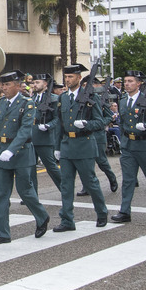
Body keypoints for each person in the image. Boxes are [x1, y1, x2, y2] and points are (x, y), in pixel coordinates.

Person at [0, 72, 49, 243]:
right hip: (2, 151)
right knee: (1, 194)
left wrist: (12, 150)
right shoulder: (0, 103)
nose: (3, 88)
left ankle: (42, 216)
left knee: (25, 191)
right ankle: (2, 233)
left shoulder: (27, 104)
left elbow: (25, 130)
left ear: (17, 85)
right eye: (2, 85)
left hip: (21, 153)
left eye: (7, 85)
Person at [51, 64, 109, 233]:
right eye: (66, 77)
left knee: (90, 182)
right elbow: (59, 124)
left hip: (84, 145)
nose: (67, 80)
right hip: (67, 145)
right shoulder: (63, 98)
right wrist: (57, 146)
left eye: (70, 77)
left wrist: (86, 124)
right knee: (66, 184)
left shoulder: (90, 96)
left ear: (78, 78)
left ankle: (101, 212)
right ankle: (67, 219)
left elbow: (102, 120)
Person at [112, 71, 146, 223]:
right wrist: (123, 141)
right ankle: (124, 211)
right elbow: (122, 123)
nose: (127, 84)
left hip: (144, 144)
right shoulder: (123, 101)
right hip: (129, 144)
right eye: (125, 81)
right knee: (128, 180)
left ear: (138, 83)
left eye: (130, 81)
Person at [27, 74, 63, 194]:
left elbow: (57, 118)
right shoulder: (31, 99)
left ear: (45, 84)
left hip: (45, 138)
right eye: (34, 82)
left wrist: (48, 126)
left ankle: (65, 190)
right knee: (30, 168)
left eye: (38, 82)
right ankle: (33, 194)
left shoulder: (53, 98)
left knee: (51, 168)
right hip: (32, 137)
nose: (35, 85)